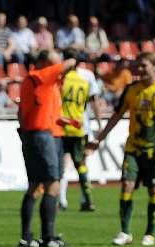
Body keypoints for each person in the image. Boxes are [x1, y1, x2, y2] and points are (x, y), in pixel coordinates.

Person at [86, 52, 155, 247]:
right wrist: (99, 138)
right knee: (127, 185)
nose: (140, 69)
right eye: (138, 65)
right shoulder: (131, 90)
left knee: (153, 189)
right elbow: (116, 116)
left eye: (144, 65)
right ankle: (125, 232)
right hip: (133, 149)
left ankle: (149, 233)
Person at [17, 49, 77, 247]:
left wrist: (60, 120)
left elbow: (26, 112)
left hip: (41, 133)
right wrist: (72, 58)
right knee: (52, 183)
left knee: (36, 185)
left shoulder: (35, 82)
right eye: (53, 64)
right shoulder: (42, 76)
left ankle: (27, 236)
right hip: (43, 136)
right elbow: (70, 63)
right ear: (43, 63)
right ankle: (47, 236)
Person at [59, 48, 101, 212]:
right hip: (80, 126)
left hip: (62, 126)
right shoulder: (86, 78)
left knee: (62, 164)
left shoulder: (62, 78)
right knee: (81, 163)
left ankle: (62, 200)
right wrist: (99, 123)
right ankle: (87, 199)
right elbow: (94, 100)